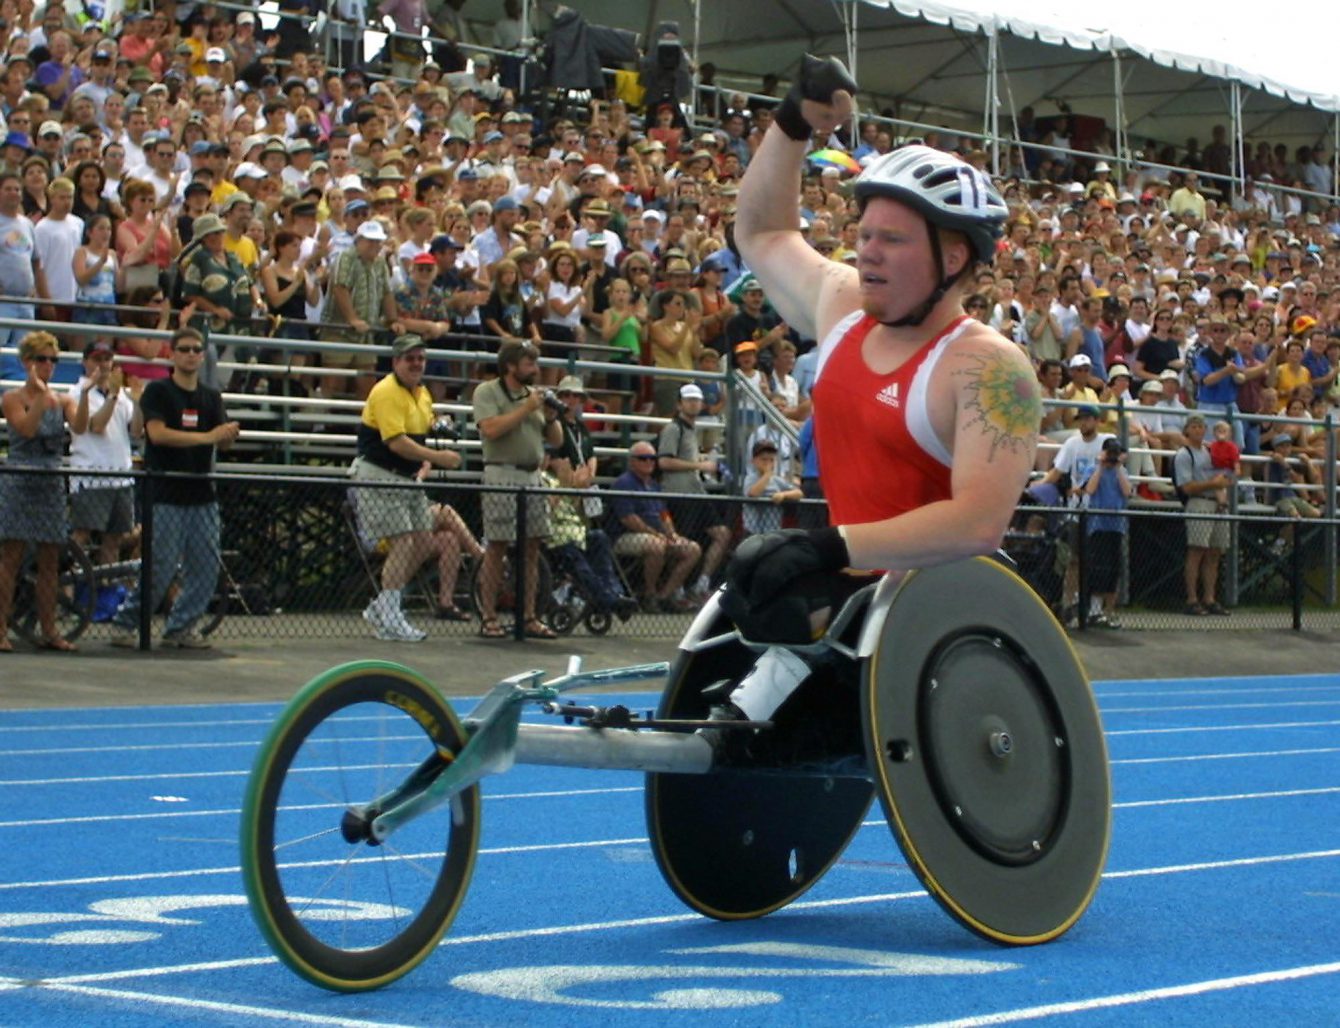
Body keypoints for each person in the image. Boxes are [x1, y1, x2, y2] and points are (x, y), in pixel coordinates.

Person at [714, 56, 1031, 731]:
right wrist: (794, 124)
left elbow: (977, 524)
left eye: (892, 239)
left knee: (784, 584)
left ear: (953, 259)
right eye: (863, 237)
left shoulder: (987, 368)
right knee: (755, 584)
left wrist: (827, 548)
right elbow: (763, 233)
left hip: (940, 610)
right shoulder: (843, 307)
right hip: (850, 579)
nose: (868, 253)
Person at [107, 328, 239, 649]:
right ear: (172, 353)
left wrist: (226, 435)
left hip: (201, 492)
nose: (191, 354)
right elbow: (158, 434)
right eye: (184, 349)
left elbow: (221, 438)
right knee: (160, 565)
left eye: (197, 349)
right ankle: (127, 622)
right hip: (165, 492)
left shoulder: (211, 396)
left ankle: (181, 626)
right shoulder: (158, 392)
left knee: (206, 565)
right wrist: (210, 436)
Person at [351, 334, 466, 641]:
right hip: (380, 474)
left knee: (424, 540)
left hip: (407, 478)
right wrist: (437, 457)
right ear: (396, 362)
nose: (416, 363)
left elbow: (422, 422)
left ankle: (382, 606)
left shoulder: (422, 392)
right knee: (403, 541)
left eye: (420, 358)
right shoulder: (387, 391)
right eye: (409, 358)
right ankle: (390, 616)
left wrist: (437, 423)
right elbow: (396, 442)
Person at [0, 333, 91, 651]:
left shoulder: (63, 399)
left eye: (53, 360)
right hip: (21, 477)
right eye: (42, 359)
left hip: (50, 479)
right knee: (10, 556)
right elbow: (25, 428)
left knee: (50, 558)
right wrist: (39, 397)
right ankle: (0, 628)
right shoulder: (12, 397)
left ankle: (49, 629)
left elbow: (80, 427)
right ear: (27, 362)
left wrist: (89, 393)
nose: (48, 366)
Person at [471, 341, 562, 640]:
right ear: (510, 366)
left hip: (532, 476)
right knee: (497, 545)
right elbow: (491, 429)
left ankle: (529, 616)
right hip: (502, 472)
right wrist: (525, 409)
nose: (535, 370)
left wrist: (549, 416)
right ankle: (488, 616)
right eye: (528, 364)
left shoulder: (532, 397)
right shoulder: (488, 392)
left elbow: (557, 441)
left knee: (532, 547)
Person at [68, 341, 144, 622]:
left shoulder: (120, 395)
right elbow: (95, 426)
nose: (102, 365)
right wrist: (113, 397)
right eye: (97, 358)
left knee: (113, 539)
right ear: (86, 361)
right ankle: (70, 593)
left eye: (107, 359)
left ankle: (105, 594)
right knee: (82, 535)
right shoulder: (77, 392)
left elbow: (136, 432)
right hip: (91, 473)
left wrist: (135, 401)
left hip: (119, 474)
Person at [656, 383, 732, 599]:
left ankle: (702, 582)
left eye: (696, 400)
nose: (693, 404)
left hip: (694, 492)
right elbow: (664, 462)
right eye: (689, 400)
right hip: (678, 494)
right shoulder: (673, 428)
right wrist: (699, 466)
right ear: (680, 404)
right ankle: (676, 590)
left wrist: (699, 462)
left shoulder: (690, 429)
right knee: (682, 543)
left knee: (722, 534)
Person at [609, 441, 702, 612]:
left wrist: (672, 534)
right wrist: (656, 535)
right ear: (632, 461)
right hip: (625, 536)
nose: (649, 462)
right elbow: (629, 519)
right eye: (643, 458)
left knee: (692, 549)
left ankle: (665, 596)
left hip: (656, 534)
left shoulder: (654, 485)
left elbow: (664, 515)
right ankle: (649, 594)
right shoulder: (624, 483)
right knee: (656, 545)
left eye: (652, 458)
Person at [1171, 414, 1231, 617]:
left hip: (1217, 502)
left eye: (1201, 426)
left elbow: (1224, 471)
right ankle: (1191, 598)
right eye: (1194, 426)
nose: (1198, 430)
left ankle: (1210, 597)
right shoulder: (1184, 454)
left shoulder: (1209, 450)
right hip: (1199, 502)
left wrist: (1223, 485)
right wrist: (1212, 485)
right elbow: (1186, 487)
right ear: (1187, 430)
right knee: (1197, 551)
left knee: (1215, 552)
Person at [1080, 436, 1132, 628]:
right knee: (1098, 567)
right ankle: (1094, 610)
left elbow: (1127, 491)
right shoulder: (1094, 470)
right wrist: (1101, 466)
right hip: (1098, 525)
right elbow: (1090, 490)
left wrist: (1118, 467)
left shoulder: (1122, 472)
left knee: (1114, 568)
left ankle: (1109, 611)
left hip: (1116, 525)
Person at [742, 438, 804, 535]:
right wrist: (767, 474)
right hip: (752, 530)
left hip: (772, 530)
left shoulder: (776, 480)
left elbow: (799, 493)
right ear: (754, 461)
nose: (768, 463)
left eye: (771, 460)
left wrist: (783, 495)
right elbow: (753, 493)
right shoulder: (750, 478)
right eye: (763, 459)